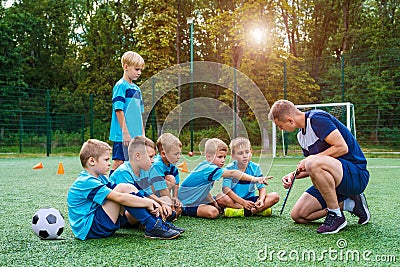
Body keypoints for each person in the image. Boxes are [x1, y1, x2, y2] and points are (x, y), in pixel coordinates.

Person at [268, 100, 370, 234]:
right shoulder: (301, 136)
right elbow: (312, 168)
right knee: (298, 215)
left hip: (355, 175)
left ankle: (336, 216)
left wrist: (310, 160)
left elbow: (341, 147)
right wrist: (293, 175)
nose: (281, 130)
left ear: (290, 120)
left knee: (311, 161)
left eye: (280, 126)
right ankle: (350, 204)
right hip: (333, 178)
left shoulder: (317, 119)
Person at [67, 138, 181, 240]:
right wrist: (147, 202)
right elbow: (119, 197)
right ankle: (152, 225)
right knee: (123, 188)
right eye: (106, 160)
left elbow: (129, 192)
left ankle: (156, 223)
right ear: (92, 161)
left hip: (99, 222)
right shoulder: (86, 181)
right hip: (90, 229)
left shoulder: (101, 178)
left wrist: (153, 202)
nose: (109, 163)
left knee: (128, 187)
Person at [178, 138, 271, 219]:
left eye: (224, 157)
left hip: (197, 200)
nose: (223, 160)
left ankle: (246, 210)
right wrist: (255, 179)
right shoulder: (208, 168)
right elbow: (232, 173)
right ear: (208, 157)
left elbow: (204, 190)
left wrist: (214, 203)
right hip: (186, 203)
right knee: (213, 212)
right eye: (219, 157)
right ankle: (183, 210)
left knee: (216, 206)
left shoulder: (211, 168)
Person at [110, 136, 182, 225]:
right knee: (147, 206)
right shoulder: (124, 172)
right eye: (150, 157)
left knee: (165, 200)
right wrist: (155, 204)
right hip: (124, 212)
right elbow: (131, 200)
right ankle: (155, 220)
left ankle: (158, 217)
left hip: (140, 202)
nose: (153, 161)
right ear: (138, 156)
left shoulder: (144, 170)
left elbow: (148, 194)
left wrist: (162, 203)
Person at [216, 137, 280, 217]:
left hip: (251, 200)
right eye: (240, 153)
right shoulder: (229, 169)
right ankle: (256, 211)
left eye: (247, 152)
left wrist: (261, 200)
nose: (245, 156)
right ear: (233, 155)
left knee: (275, 196)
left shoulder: (255, 167)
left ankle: (242, 212)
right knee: (220, 198)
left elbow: (261, 187)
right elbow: (226, 189)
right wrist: (243, 202)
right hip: (236, 201)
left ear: (251, 152)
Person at [109, 51, 145, 175]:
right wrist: (125, 133)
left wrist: (142, 133)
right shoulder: (120, 86)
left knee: (134, 162)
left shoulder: (137, 89)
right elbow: (118, 110)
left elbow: (140, 113)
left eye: (140, 70)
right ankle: (109, 188)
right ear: (125, 67)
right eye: (136, 69)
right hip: (122, 135)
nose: (139, 72)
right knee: (119, 161)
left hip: (135, 135)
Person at [149, 133, 183, 217]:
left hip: (161, 193)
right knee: (170, 179)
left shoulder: (172, 163)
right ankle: (164, 206)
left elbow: (176, 183)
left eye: (179, 153)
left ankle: (166, 207)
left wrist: (175, 197)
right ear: (163, 154)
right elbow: (161, 187)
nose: (178, 157)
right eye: (176, 154)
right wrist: (171, 206)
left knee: (171, 179)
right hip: (150, 193)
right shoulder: (157, 164)